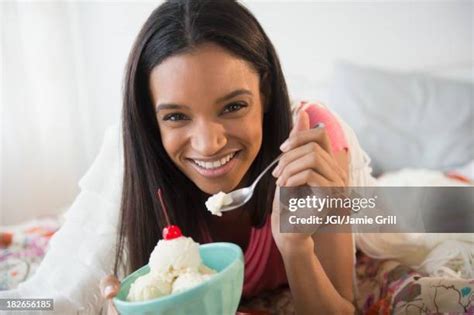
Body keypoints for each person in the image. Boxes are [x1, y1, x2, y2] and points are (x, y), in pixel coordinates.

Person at [1, 1, 375, 314]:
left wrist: (295, 247)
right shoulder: (137, 162)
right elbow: (54, 298)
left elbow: (342, 306)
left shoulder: (311, 143)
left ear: (266, 94)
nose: (209, 144)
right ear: (152, 121)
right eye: (176, 116)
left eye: (233, 106)